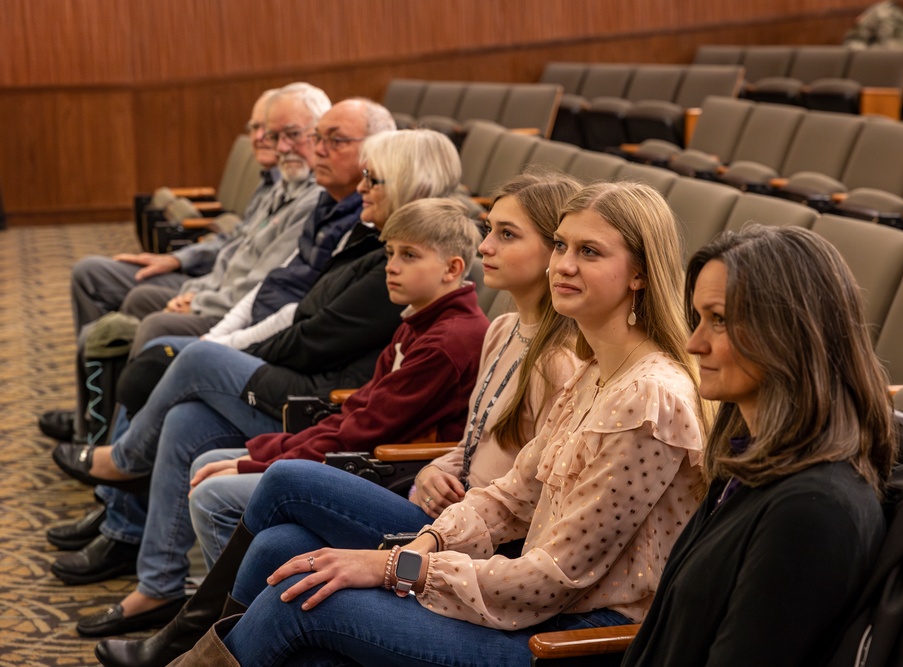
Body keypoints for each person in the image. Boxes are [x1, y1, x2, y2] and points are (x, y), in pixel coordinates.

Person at [172, 181, 708, 666]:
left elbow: (554, 577)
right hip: (536, 605)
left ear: (640, 272)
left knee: (306, 606)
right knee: (295, 578)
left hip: (576, 636)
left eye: (589, 252)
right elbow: (510, 496)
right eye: (562, 245)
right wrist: (425, 543)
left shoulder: (648, 399)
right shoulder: (596, 371)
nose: (562, 264)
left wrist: (393, 568)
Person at [94, 170, 585, 667]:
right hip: (446, 508)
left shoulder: (560, 361)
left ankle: (188, 640)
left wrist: (439, 508)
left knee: (285, 478)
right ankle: (201, 646)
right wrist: (438, 468)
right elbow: (476, 440)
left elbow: (531, 493)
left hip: (477, 541)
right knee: (277, 545)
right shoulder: (503, 329)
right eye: (489, 229)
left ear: (553, 252)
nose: (487, 247)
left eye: (507, 234)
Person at [50, 128, 463, 639]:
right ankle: (157, 583)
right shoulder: (371, 245)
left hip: (320, 399)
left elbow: (325, 351)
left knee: (193, 360)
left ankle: (208, 621)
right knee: (184, 418)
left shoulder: (418, 298)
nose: (361, 186)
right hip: (329, 404)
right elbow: (284, 292)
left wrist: (254, 436)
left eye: (371, 177)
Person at [620, 225, 899, 667]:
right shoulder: (746, 464)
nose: (694, 344)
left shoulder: (813, 509)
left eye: (720, 320)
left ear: (790, 333)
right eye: (698, 319)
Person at [41, 83, 330, 447]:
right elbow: (233, 244)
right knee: (104, 285)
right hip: (213, 289)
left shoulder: (313, 196)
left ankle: (120, 446)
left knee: (153, 320)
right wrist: (181, 266)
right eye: (265, 131)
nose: (271, 141)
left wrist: (196, 298)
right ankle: (103, 425)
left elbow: (265, 285)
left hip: (234, 310)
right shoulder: (281, 183)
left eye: (288, 134)